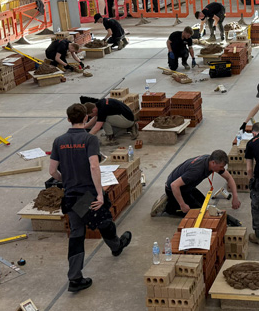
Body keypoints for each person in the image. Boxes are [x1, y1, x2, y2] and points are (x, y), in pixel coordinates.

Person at [49, 104, 132, 293]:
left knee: (77, 234)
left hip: (71, 196)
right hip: (87, 195)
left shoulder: (58, 141)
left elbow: (53, 171)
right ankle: (117, 246)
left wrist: (67, 180)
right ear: (86, 118)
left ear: (68, 119)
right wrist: (100, 193)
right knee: (104, 221)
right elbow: (94, 167)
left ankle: (75, 278)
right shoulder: (89, 139)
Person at [151, 150, 241, 223]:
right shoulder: (196, 171)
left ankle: (175, 201)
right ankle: (169, 206)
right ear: (213, 163)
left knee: (204, 206)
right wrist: (182, 205)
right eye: (221, 166)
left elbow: (229, 178)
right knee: (196, 213)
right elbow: (174, 185)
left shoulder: (209, 161)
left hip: (187, 186)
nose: (222, 169)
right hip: (174, 189)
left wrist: (235, 197)